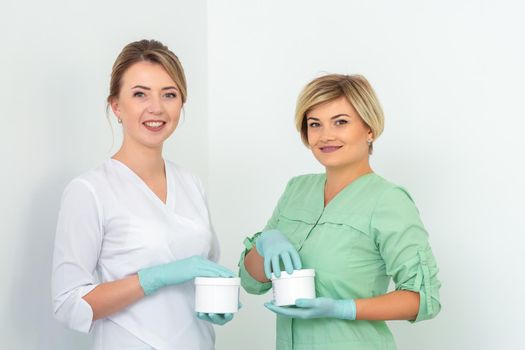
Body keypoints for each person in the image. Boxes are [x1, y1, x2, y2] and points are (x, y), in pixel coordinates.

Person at [52, 39, 236, 350]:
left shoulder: (191, 183)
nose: (157, 108)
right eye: (140, 94)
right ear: (116, 106)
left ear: (181, 103)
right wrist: (152, 278)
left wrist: (218, 300)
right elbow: (68, 304)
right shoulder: (90, 191)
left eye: (169, 94)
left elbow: (206, 270)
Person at [239, 74, 441, 349]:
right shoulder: (297, 190)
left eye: (341, 122)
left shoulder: (388, 200)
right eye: (315, 124)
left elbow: (422, 299)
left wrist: (342, 309)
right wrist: (265, 243)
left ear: (369, 128)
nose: (326, 135)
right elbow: (253, 281)